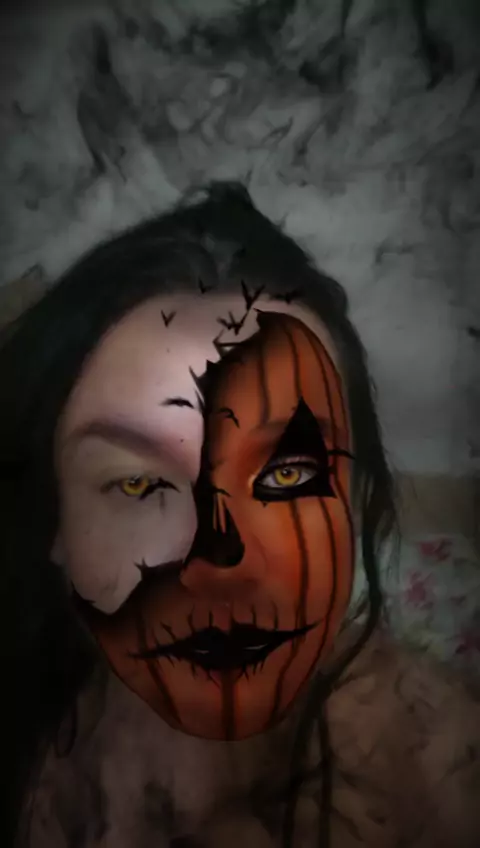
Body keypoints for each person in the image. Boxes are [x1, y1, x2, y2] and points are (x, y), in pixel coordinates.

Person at [2, 182, 478, 848]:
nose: (219, 558)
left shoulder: (440, 769)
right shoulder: (33, 729)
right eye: (138, 483)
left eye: (287, 475)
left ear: (355, 500)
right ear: (54, 523)